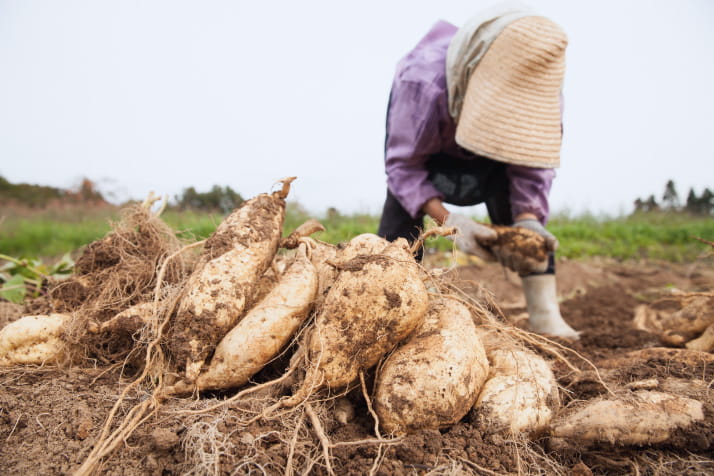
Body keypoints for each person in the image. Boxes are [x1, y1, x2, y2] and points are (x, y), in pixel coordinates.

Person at [377, 5, 579, 338]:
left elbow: (531, 167)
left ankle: (545, 312)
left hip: (498, 167)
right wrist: (449, 222)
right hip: (430, 155)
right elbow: (405, 167)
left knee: (527, 235)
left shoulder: (542, 90)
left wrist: (528, 221)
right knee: (399, 229)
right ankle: (390, 306)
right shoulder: (422, 82)